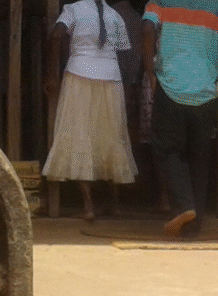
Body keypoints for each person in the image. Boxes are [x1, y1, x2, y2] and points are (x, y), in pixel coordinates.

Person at [142, 0, 218, 238]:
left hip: (171, 85)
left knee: (166, 149)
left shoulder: (160, 1)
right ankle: (193, 228)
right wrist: (217, 76)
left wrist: (150, 72)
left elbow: (146, 30)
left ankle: (185, 206)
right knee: (200, 157)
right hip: (205, 92)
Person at [43, 0, 138, 221]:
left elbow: (56, 35)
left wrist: (51, 73)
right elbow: (124, 53)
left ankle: (88, 207)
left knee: (79, 135)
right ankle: (113, 205)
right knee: (111, 138)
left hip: (79, 75)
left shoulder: (73, 9)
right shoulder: (115, 15)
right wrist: (127, 85)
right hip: (111, 79)